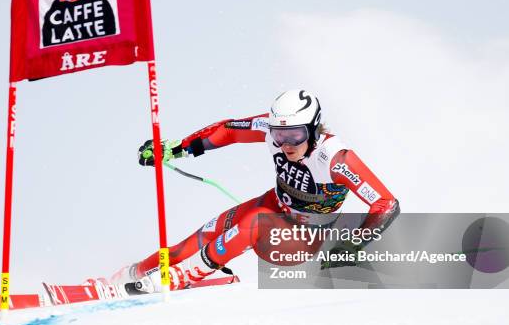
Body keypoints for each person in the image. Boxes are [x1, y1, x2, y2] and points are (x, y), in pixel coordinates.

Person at [110, 89, 400, 292]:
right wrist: (176, 150)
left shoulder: (335, 159)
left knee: (257, 219)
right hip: (274, 204)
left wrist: (352, 245)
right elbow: (229, 129)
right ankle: (128, 275)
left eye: (296, 135)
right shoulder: (274, 128)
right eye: (279, 134)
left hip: (303, 238)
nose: (286, 143)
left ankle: (183, 276)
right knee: (188, 245)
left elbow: (386, 204)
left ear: (313, 130)